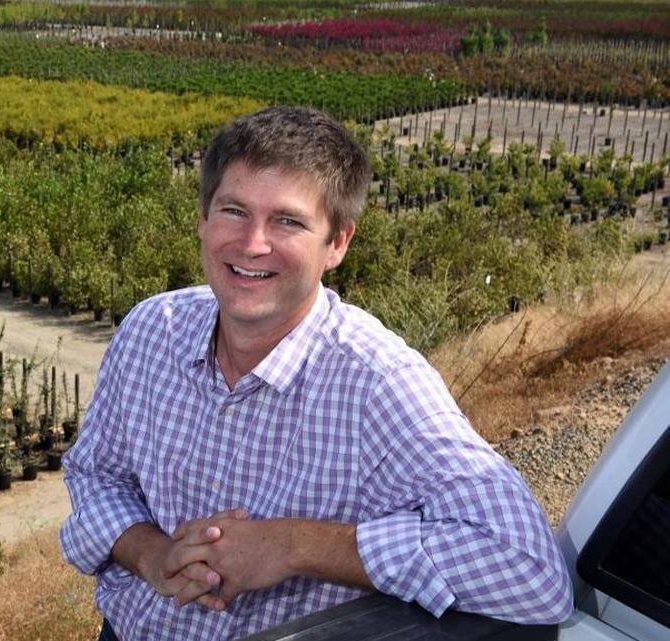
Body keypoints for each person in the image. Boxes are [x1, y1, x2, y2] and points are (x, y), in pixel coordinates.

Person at [59, 106, 573, 641]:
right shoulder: (150, 332)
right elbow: (97, 474)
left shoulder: (377, 384)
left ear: (338, 244)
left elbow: (529, 568)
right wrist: (155, 555)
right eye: (234, 210)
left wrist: (293, 546)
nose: (253, 243)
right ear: (203, 221)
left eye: (288, 221)